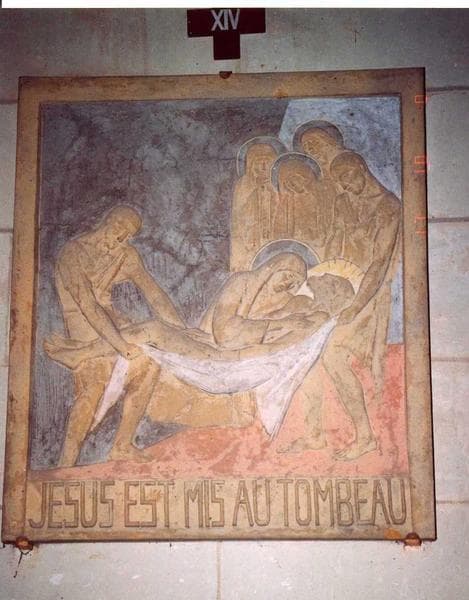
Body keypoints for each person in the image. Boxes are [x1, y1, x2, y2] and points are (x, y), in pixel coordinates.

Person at [286, 151, 401, 460]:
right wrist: (318, 283)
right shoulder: (343, 201)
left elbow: (379, 263)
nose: (346, 185)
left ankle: (365, 436)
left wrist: (356, 305)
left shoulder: (388, 206)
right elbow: (331, 248)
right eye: (340, 181)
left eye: (349, 177)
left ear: (362, 168)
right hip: (338, 286)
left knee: (332, 353)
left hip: (368, 295)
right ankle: (314, 434)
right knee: (307, 346)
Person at [53, 205, 185, 466]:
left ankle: (122, 445)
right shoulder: (73, 253)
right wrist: (120, 345)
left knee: (149, 362)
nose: (121, 238)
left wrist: (181, 330)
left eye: (128, 235)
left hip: (114, 323)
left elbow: (154, 294)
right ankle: (65, 464)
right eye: (119, 228)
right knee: (93, 386)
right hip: (84, 325)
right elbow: (87, 304)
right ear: (108, 221)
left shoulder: (125, 254)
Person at [231, 140, 283, 271]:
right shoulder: (244, 184)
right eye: (259, 162)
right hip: (251, 238)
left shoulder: (280, 183)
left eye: (268, 161)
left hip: (275, 236)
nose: (264, 166)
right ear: (251, 165)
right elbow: (238, 216)